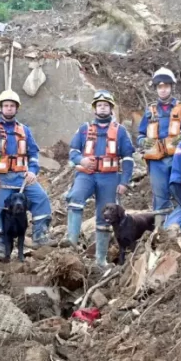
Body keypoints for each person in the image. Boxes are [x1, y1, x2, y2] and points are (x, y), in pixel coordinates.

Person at [0, 90, 53, 260]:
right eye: (6, 106)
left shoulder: (24, 130)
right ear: (0, 109)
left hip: (22, 178)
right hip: (0, 179)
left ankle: (40, 235)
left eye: (12, 106)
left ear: (16, 109)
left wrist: (32, 170)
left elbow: (33, 153)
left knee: (41, 198)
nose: (9, 108)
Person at [65, 90, 135, 267]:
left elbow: (128, 158)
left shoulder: (120, 131)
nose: (102, 108)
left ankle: (101, 260)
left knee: (106, 216)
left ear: (111, 109)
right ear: (94, 108)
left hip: (110, 177)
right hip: (87, 175)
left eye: (106, 105)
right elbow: (73, 151)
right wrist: (81, 160)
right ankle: (71, 245)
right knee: (75, 198)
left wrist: (124, 181)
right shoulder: (84, 129)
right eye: (99, 105)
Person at [137, 67, 181, 229]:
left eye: (166, 86)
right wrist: (143, 142)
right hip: (156, 163)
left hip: (179, 160)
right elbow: (141, 134)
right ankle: (160, 231)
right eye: (159, 87)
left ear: (171, 87)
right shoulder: (150, 112)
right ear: (155, 89)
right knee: (160, 196)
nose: (163, 90)